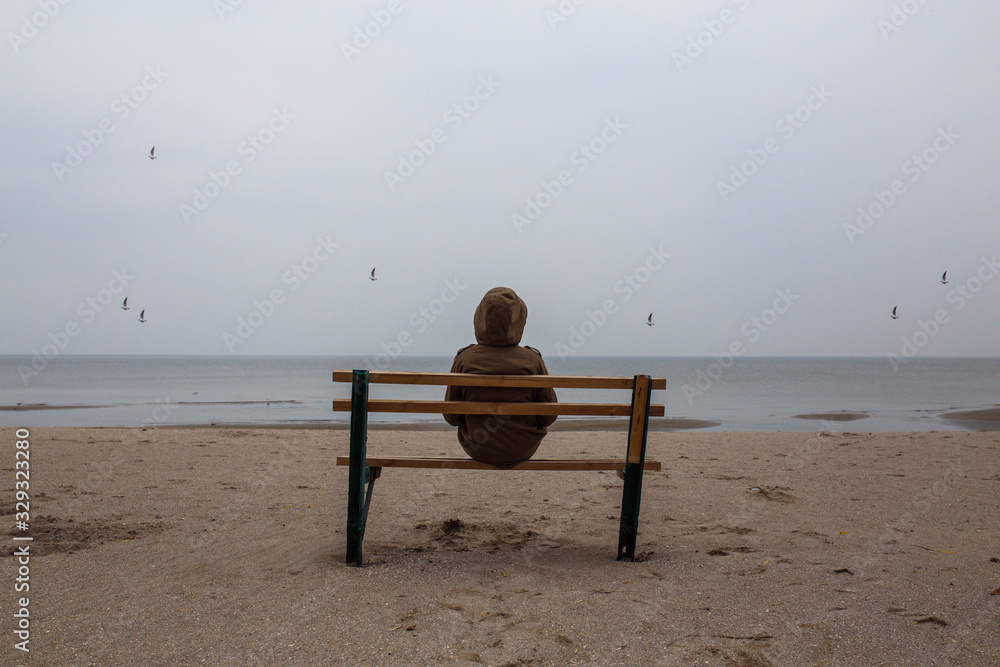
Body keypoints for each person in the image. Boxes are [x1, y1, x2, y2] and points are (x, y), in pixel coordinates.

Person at [443, 287, 557, 466]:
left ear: (479, 318)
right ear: (519, 320)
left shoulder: (464, 358)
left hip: (477, 447)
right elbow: (548, 417)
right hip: (523, 447)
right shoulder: (533, 360)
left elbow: (452, 418)